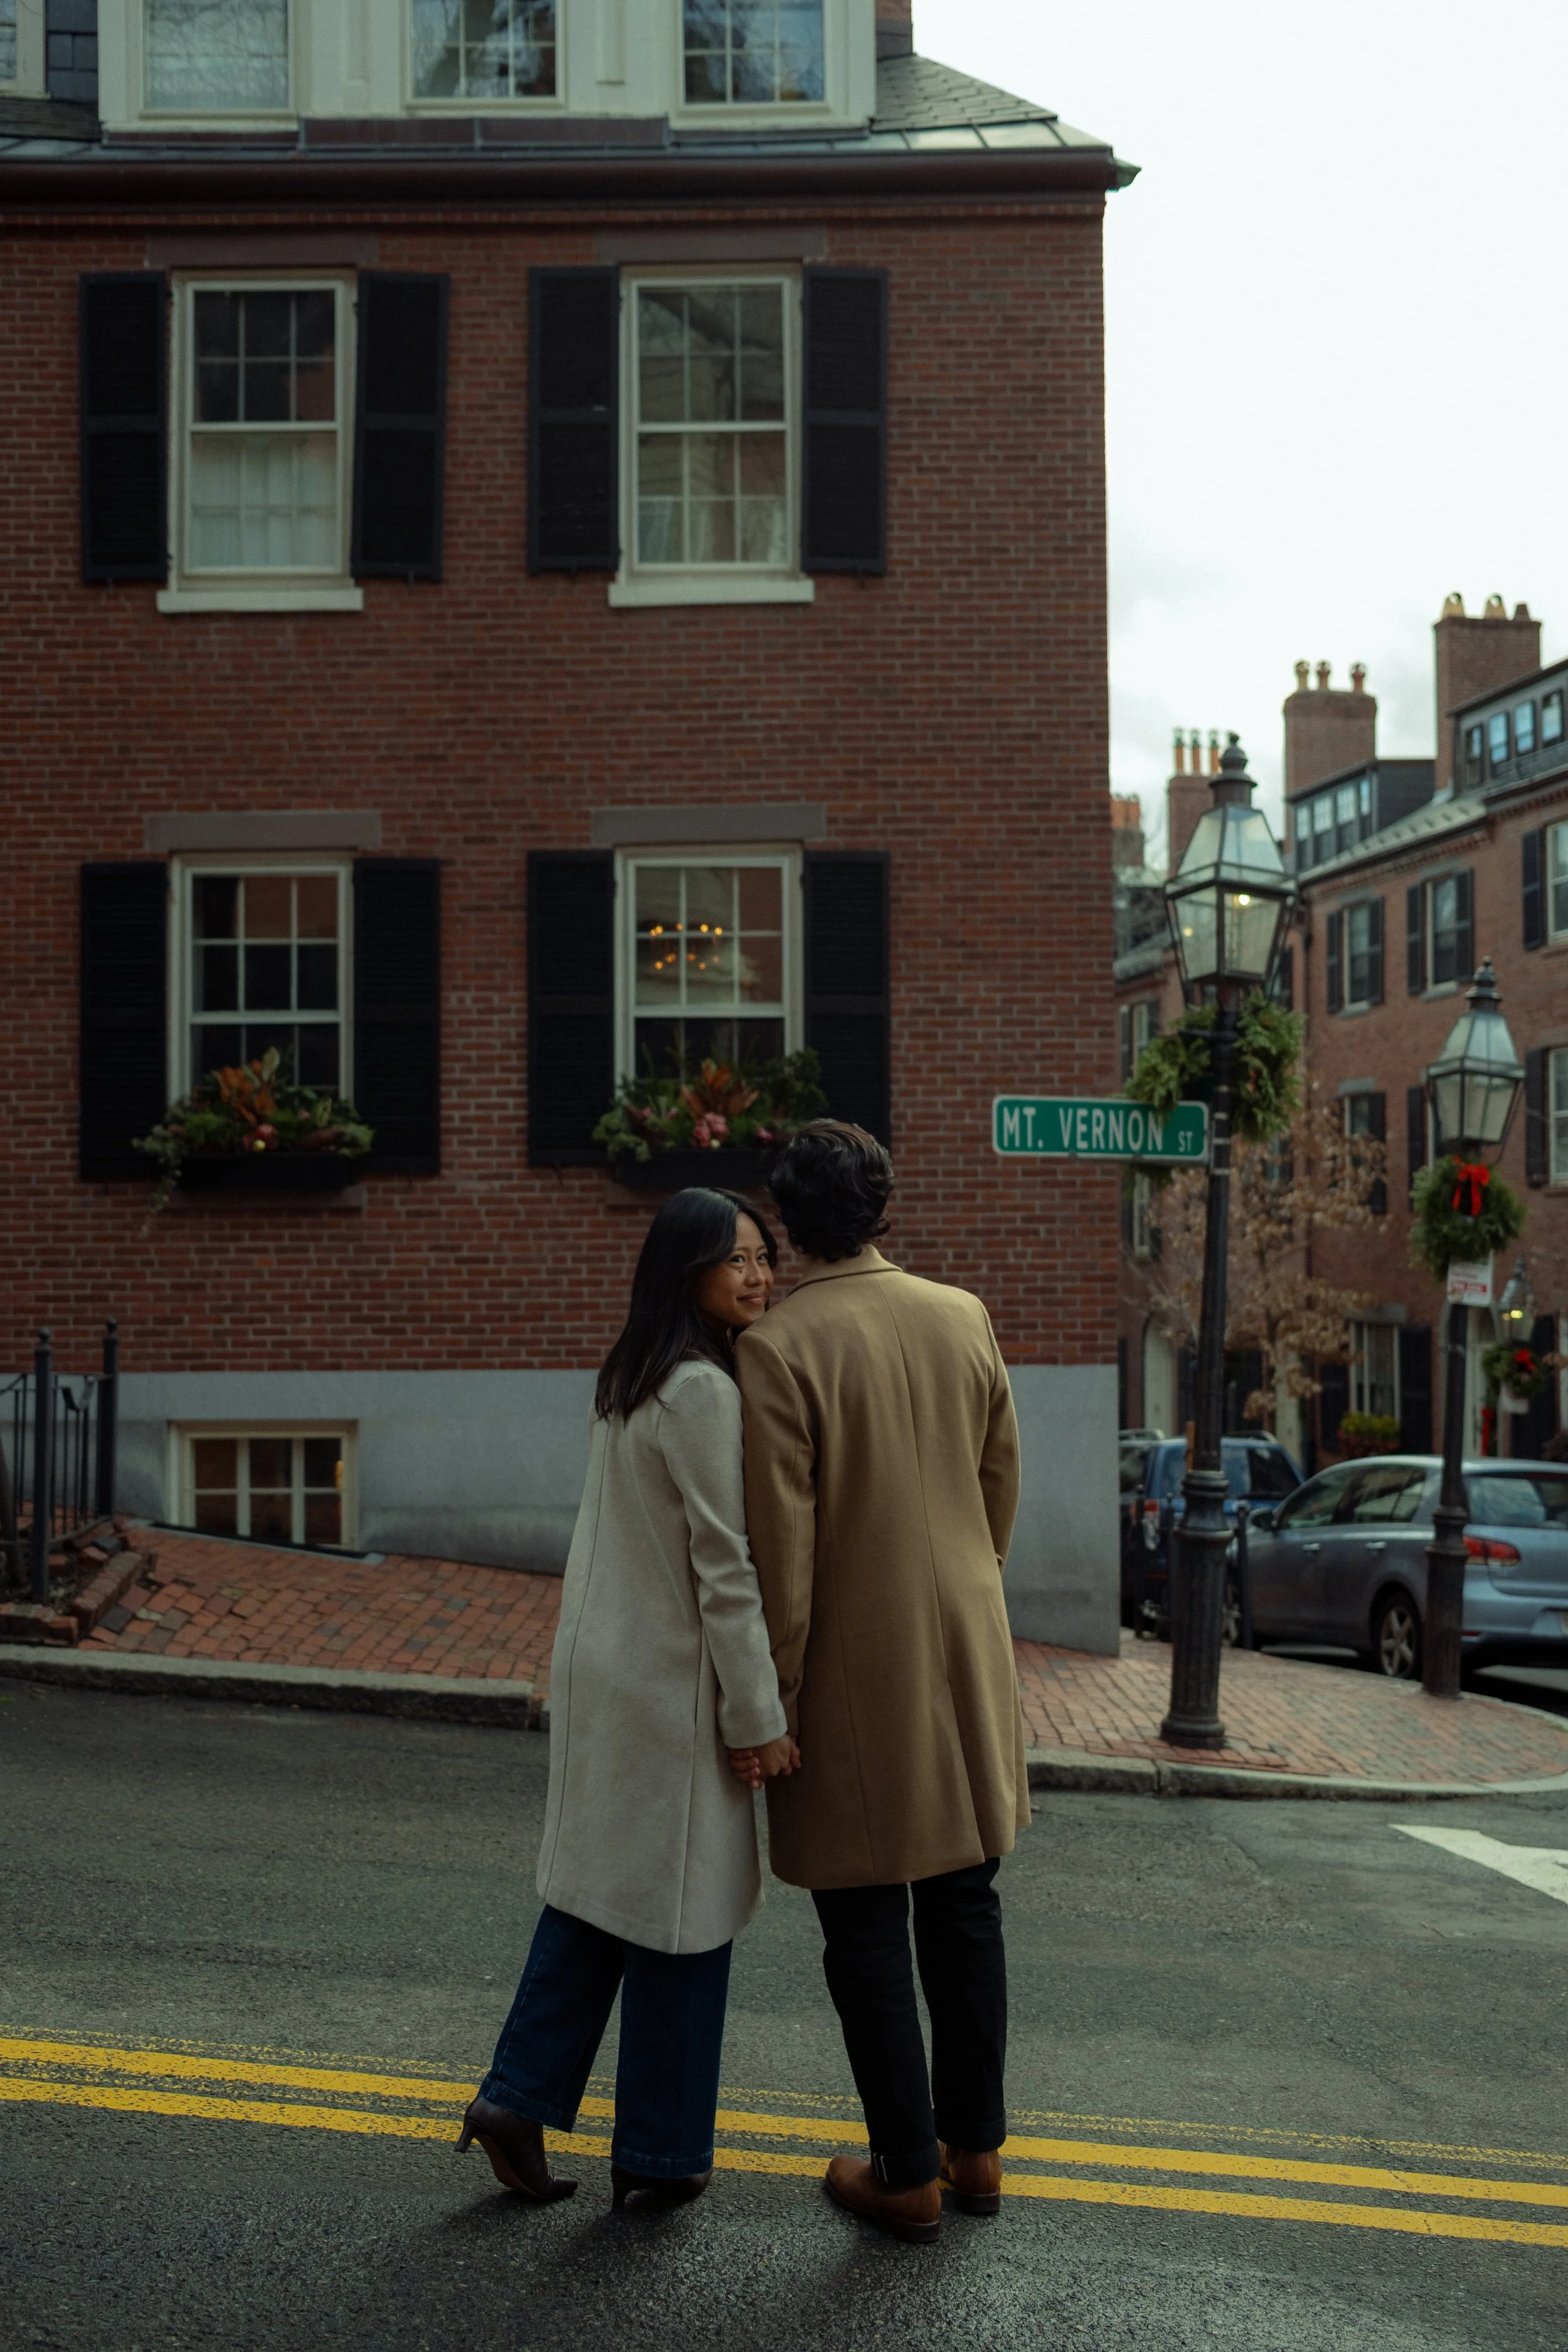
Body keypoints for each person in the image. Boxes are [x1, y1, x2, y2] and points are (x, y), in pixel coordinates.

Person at [458, 1188, 798, 2213]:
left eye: (762, 1255)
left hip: (611, 1665)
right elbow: (725, 1568)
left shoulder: (633, 1373)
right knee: (685, 1917)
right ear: (682, 1270)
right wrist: (759, 1717)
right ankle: (659, 2151)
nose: (757, 1274)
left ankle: (515, 2100)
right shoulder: (702, 1389)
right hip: (673, 1686)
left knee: (606, 1899)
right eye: (732, 1258)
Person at [732, 1121, 1026, 2245]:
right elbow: (1000, 1484)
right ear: (884, 1206)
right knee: (965, 1902)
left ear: (790, 1220)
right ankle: (978, 2148)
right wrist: (967, 1586)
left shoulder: (780, 1345)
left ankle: (905, 2168)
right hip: (966, 1643)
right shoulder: (963, 1314)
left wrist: (778, 1697)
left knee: (863, 1921)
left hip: (856, 1659)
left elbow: (785, 1542)